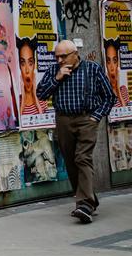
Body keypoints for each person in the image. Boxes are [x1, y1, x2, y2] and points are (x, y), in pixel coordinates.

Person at [35, 40, 116, 223]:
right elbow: (40, 94)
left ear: (75, 53)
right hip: (63, 119)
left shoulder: (92, 69)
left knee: (82, 158)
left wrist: (96, 116)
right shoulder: (53, 70)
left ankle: (84, 204)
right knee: (71, 161)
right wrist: (57, 78)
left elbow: (109, 97)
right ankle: (89, 200)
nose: (60, 59)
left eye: (63, 56)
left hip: (86, 119)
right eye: (57, 56)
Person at [17, 37, 47, 117]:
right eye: (23, 63)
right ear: (19, 67)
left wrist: (36, 98)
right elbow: (17, 126)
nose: (27, 70)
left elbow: (43, 124)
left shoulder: (42, 100)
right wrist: (23, 100)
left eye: (30, 63)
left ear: (34, 66)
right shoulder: (16, 102)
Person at [104, 39, 128, 107]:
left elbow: (125, 114)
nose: (112, 68)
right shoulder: (103, 92)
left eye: (115, 61)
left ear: (118, 64)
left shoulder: (123, 90)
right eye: (108, 61)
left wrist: (118, 92)